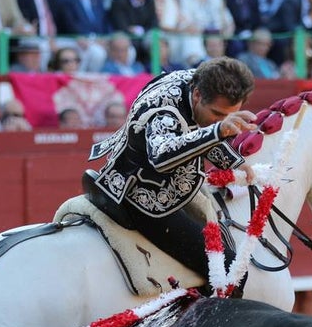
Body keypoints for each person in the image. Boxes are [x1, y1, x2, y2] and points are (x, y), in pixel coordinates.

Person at [85, 57, 256, 291]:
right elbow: (161, 157)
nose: (222, 120)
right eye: (217, 113)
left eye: (228, 115)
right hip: (144, 197)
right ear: (197, 95)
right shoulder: (164, 110)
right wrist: (218, 131)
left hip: (166, 181)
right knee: (232, 272)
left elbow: (204, 127)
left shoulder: (198, 81)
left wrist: (232, 161)